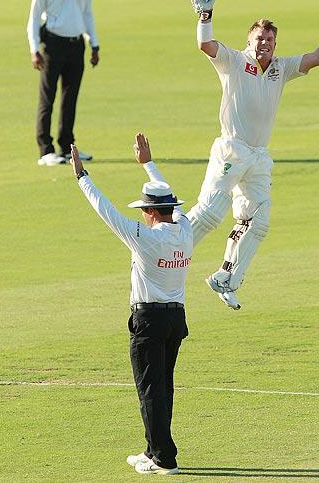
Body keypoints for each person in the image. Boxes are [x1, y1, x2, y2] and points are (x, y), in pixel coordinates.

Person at [188, 0, 319, 311]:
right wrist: (205, 15)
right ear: (249, 40)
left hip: (257, 157)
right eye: (259, 37)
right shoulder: (235, 61)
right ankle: (168, 250)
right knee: (210, 214)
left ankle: (226, 278)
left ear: (275, 43)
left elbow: (313, 58)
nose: (264, 42)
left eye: (269, 38)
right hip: (231, 149)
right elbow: (206, 46)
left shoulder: (281, 68)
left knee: (258, 220)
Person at [71, 133, 192, 476]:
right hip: (175, 319)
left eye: (145, 210)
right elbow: (176, 206)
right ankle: (155, 449)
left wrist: (82, 177)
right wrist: (148, 165)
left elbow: (104, 210)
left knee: (150, 389)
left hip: (149, 321)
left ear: (151, 212)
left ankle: (163, 459)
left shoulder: (145, 238)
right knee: (163, 387)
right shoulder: (184, 229)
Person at [27, 0, 100, 166]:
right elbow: (33, 19)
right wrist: (34, 49)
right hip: (53, 44)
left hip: (76, 44)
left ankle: (67, 148)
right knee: (47, 98)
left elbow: (87, 14)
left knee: (71, 97)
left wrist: (94, 43)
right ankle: (45, 150)